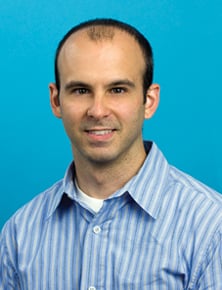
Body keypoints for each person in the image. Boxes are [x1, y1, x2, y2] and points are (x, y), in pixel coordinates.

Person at [0, 18, 222, 290]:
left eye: (117, 90)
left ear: (149, 101)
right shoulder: (19, 234)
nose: (98, 110)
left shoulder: (211, 228)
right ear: (56, 100)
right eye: (81, 90)